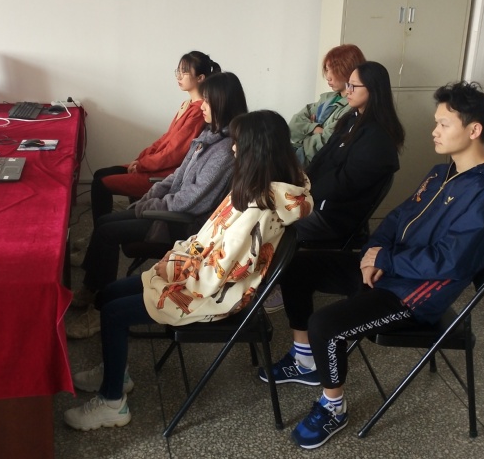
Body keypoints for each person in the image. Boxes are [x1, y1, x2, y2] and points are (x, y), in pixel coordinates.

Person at [289, 81, 484, 450]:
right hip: (390, 269)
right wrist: (373, 253)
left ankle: (333, 406)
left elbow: (451, 260)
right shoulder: (440, 173)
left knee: (326, 325)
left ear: (474, 130)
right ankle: (304, 360)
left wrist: (385, 259)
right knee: (297, 267)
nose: (434, 131)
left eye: (444, 124)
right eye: (437, 122)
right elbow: (397, 218)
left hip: (413, 296)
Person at [62, 110, 313, 432]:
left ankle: (112, 402)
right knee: (109, 294)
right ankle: (116, 371)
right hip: (202, 275)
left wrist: (176, 270)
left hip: (214, 295)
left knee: (113, 313)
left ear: (257, 149)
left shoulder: (258, 207)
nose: (233, 148)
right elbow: (211, 244)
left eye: (238, 143)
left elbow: (219, 274)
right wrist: (178, 260)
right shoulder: (264, 186)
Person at [67, 72, 248, 339]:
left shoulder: (224, 150)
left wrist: (154, 204)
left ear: (222, 103)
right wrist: (153, 194)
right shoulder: (209, 135)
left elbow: (194, 199)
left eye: (208, 101)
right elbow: (178, 175)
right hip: (169, 209)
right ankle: (91, 290)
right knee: (104, 223)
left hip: (183, 224)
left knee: (107, 232)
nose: (203, 106)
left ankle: (96, 310)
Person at [263, 62, 404, 327]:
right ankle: (263, 278)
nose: (347, 90)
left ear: (373, 90)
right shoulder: (351, 119)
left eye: (354, 86)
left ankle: (275, 283)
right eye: (348, 84)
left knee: (270, 223)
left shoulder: (377, 138)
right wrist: (300, 186)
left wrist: (304, 197)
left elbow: (343, 184)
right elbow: (321, 159)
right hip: (318, 202)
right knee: (262, 210)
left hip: (334, 217)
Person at [90, 51, 221, 224]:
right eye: (178, 71)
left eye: (184, 72)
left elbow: (173, 153)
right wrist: (141, 159)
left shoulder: (198, 111)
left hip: (164, 172)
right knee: (100, 174)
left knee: (100, 184)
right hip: (154, 165)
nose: (179, 76)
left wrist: (143, 165)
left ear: (200, 78)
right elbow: (165, 139)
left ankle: (103, 229)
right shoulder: (187, 104)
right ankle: (108, 226)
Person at [289, 44, 365, 167]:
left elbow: (327, 143)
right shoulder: (326, 98)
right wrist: (315, 128)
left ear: (349, 71)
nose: (328, 77)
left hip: (312, 163)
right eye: (327, 69)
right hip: (299, 153)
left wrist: (305, 131)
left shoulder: (352, 107)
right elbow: (293, 124)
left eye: (334, 70)